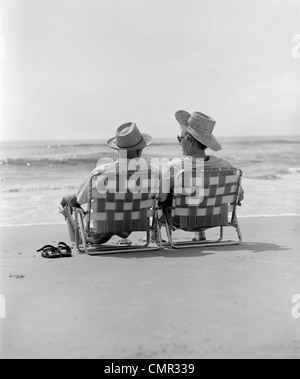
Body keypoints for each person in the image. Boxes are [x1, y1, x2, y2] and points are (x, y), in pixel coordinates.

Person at [59, 122, 153, 245]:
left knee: (68, 199)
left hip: (106, 224)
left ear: (118, 149)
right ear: (140, 150)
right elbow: (162, 199)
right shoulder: (152, 173)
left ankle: (80, 231)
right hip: (135, 222)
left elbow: (80, 200)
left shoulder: (100, 173)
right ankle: (120, 229)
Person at [159, 110, 244, 241]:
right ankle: (200, 232)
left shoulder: (175, 167)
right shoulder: (226, 166)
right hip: (215, 219)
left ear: (189, 139)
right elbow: (240, 195)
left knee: (161, 196)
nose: (179, 143)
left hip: (181, 221)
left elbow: (161, 197)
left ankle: (155, 236)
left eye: (180, 139)